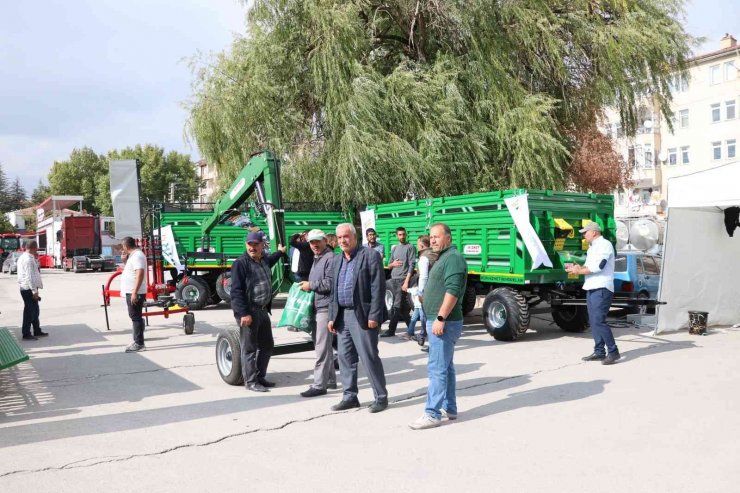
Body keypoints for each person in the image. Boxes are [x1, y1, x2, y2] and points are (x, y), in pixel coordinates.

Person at [410, 223, 467, 430]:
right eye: (431, 237)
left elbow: (452, 290)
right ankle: (449, 408)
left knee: (436, 369)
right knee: (446, 367)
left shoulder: (453, 258)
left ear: (449, 238)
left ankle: (432, 413)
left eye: (437, 237)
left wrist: (440, 318)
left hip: (444, 322)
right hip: (438, 320)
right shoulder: (444, 257)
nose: (432, 240)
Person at [328, 223, 389, 413]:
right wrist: (332, 316)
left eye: (346, 236)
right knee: (345, 358)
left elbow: (378, 287)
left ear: (355, 237)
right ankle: (349, 396)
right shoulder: (337, 260)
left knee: (368, 357)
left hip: (362, 315)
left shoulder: (370, 255)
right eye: (339, 238)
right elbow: (333, 291)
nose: (342, 241)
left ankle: (380, 397)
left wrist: (374, 315)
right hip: (342, 316)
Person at [230, 231, 287, 392]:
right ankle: (251, 381)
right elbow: (236, 291)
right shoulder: (241, 264)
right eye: (250, 244)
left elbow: (273, 259)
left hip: (262, 310)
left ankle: (260, 376)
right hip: (250, 312)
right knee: (249, 348)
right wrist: (243, 313)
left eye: (256, 244)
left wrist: (281, 253)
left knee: (267, 345)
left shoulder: (264, 260)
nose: (252, 247)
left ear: (262, 245)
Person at [566, 222, 620, 365]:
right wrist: (579, 267)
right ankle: (599, 351)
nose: (584, 235)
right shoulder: (592, 247)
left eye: (585, 232)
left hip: (601, 287)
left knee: (599, 321)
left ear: (594, 232)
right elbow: (589, 266)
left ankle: (613, 352)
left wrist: (579, 271)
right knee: (593, 321)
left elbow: (599, 266)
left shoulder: (604, 245)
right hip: (592, 287)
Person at [299, 229, 337, 397]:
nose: (314, 245)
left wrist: (310, 285)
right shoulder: (318, 258)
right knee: (323, 346)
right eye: (311, 242)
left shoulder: (330, 258)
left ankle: (319, 385)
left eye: (317, 242)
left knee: (321, 348)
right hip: (318, 307)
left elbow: (329, 283)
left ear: (324, 241)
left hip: (325, 308)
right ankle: (329, 380)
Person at [380, 226, 416, 338]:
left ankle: (391, 330)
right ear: (397, 236)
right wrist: (393, 264)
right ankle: (411, 331)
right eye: (400, 235)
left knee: (396, 306)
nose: (402, 236)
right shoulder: (395, 248)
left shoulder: (410, 247)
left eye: (404, 234)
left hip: (402, 279)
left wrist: (406, 282)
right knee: (404, 308)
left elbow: (411, 265)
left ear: (406, 235)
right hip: (393, 279)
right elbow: (389, 265)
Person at [120, 237, 147, 352]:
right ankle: (138, 340)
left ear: (126, 246)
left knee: (135, 317)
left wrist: (134, 292)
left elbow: (140, 273)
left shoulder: (137, 256)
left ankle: (139, 343)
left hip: (135, 292)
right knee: (136, 317)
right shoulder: (133, 256)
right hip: (132, 292)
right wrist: (124, 260)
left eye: (123, 247)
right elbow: (131, 270)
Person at [17, 240, 47, 341]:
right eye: (37, 248)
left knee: (35, 310)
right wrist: (34, 291)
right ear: (34, 248)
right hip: (28, 288)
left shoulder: (26, 257)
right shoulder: (28, 260)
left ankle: (37, 330)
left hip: (28, 287)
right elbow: (30, 277)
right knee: (29, 312)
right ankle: (26, 333)